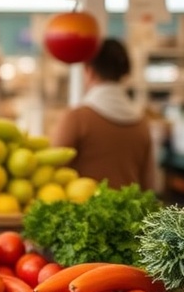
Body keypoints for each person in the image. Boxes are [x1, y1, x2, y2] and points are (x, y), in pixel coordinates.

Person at [50, 38, 156, 190]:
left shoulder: (77, 118)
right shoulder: (142, 123)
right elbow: (149, 184)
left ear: (89, 71)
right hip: (130, 212)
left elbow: (52, 173)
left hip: (85, 211)